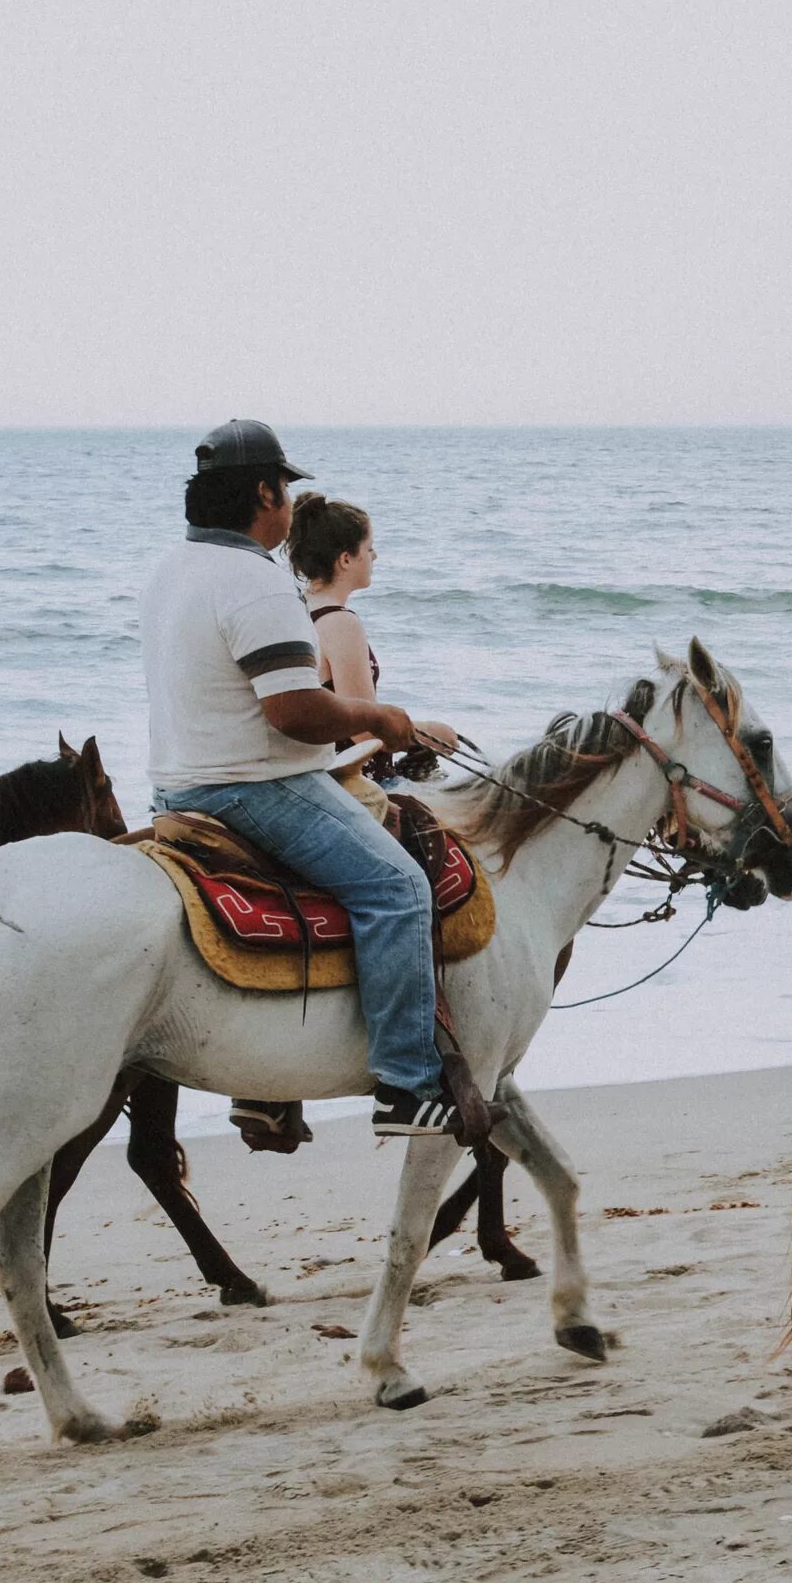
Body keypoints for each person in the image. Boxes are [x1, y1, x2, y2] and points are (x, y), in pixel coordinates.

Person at [142, 421, 464, 1140]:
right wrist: (378, 718)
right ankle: (408, 1087)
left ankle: (271, 1082)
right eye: (283, 486)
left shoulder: (172, 565)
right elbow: (293, 711)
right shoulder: (256, 578)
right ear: (263, 492)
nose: (287, 500)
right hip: (254, 787)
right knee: (399, 887)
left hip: (173, 787)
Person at [283, 494, 424, 788]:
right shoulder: (340, 622)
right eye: (369, 548)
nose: (375, 557)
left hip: (317, 770)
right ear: (346, 559)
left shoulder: (299, 607)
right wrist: (430, 734)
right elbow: (365, 734)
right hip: (353, 779)